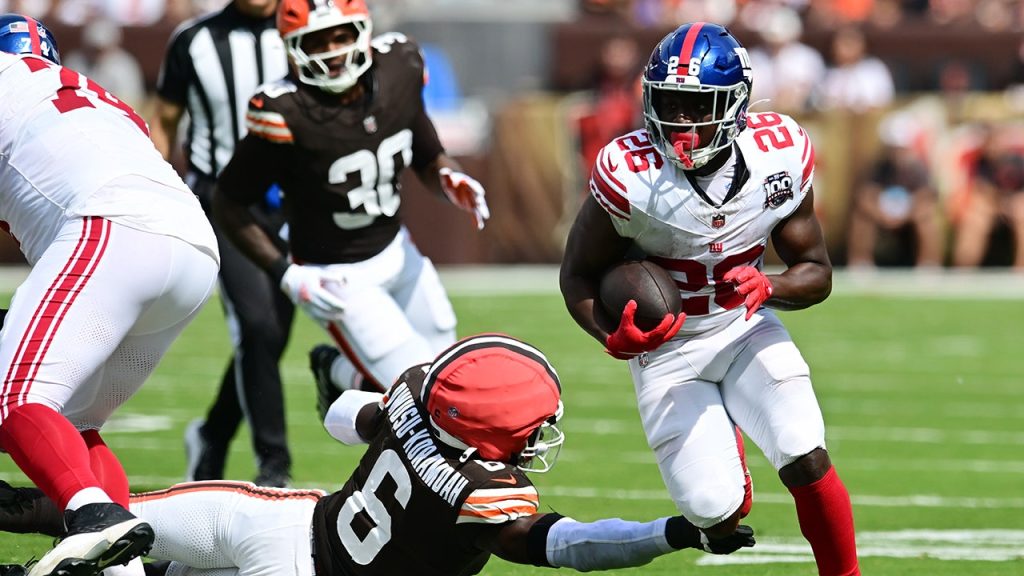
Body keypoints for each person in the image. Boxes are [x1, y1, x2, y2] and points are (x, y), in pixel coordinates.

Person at [0, 334, 756, 576]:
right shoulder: (487, 493)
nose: (538, 438)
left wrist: (343, 380)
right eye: (531, 427)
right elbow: (570, 547)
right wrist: (672, 532)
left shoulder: (415, 397)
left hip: (272, 520)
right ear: (490, 433)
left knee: (97, 518)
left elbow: (341, 418)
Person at [559, 22, 860, 576]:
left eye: (699, 107)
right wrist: (610, 333)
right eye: (669, 105)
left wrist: (771, 286)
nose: (681, 123)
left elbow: (817, 272)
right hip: (666, 350)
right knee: (712, 512)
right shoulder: (630, 173)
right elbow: (576, 275)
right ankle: (723, 490)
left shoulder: (778, 155)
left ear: (737, 104)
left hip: (744, 327)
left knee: (803, 446)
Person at [0, 13, 219, 576]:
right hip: (193, 247)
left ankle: (90, 515)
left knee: (17, 398)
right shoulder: (94, 99)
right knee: (70, 423)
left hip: (112, 228)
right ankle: (120, 568)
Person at [212, 0, 490, 402]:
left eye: (341, 37)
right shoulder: (284, 109)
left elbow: (428, 154)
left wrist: (449, 177)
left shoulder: (400, 65)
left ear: (364, 33)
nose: (332, 52)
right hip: (336, 273)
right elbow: (228, 202)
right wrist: (285, 273)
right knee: (421, 394)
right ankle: (343, 377)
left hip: (398, 251)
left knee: (447, 373)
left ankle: (340, 372)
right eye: (316, 42)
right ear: (291, 48)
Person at [150, 0, 295, 487]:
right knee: (257, 326)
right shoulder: (194, 40)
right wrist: (156, 190)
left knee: (271, 336)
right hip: (223, 201)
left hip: (293, 202)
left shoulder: (307, 28)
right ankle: (274, 464)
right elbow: (165, 119)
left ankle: (212, 435)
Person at [846, 112, 943, 268]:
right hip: (881, 215)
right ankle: (860, 263)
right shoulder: (877, 168)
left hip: (910, 216)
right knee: (861, 219)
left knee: (927, 220)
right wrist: (881, 215)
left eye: (902, 148)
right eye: (894, 148)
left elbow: (927, 198)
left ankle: (929, 264)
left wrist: (907, 215)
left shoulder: (918, 169)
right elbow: (864, 196)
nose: (898, 152)